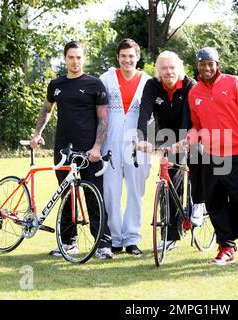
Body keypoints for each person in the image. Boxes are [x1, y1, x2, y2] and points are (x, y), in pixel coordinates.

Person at [30, 40, 114, 259]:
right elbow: (46, 109)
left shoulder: (95, 84)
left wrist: (97, 147)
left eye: (79, 57)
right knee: (66, 196)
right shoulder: (56, 84)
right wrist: (38, 133)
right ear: (65, 58)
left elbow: (103, 119)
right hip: (63, 150)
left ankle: (103, 244)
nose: (75, 61)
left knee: (94, 196)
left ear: (83, 58)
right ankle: (68, 243)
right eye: (71, 57)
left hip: (89, 152)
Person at [177, 47, 238, 266]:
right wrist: (188, 140)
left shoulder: (235, 83)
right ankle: (226, 245)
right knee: (214, 203)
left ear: (217, 64)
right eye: (203, 64)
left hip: (237, 154)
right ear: (198, 66)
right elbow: (196, 126)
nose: (207, 68)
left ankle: (230, 239)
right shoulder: (194, 93)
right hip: (210, 156)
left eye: (210, 64)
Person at [137, 50, 205, 252]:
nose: (168, 72)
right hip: (165, 136)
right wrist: (141, 138)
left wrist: (183, 141)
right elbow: (145, 111)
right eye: (164, 68)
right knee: (169, 184)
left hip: (190, 132)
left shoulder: (189, 85)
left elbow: (188, 115)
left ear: (180, 69)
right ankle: (170, 235)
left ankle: (199, 203)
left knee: (198, 159)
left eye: (172, 67)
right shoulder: (152, 85)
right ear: (158, 71)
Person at [99, 38, 151, 255]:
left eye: (131, 56)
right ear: (117, 58)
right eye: (123, 56)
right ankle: (114, 238)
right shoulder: (105, 79)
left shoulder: (147, 81)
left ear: (138, 57)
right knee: (110, 191)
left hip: (136, 144)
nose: (127, 60)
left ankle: (131, 238)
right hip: (110, 143)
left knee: (135, 191)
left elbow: (152, 114)